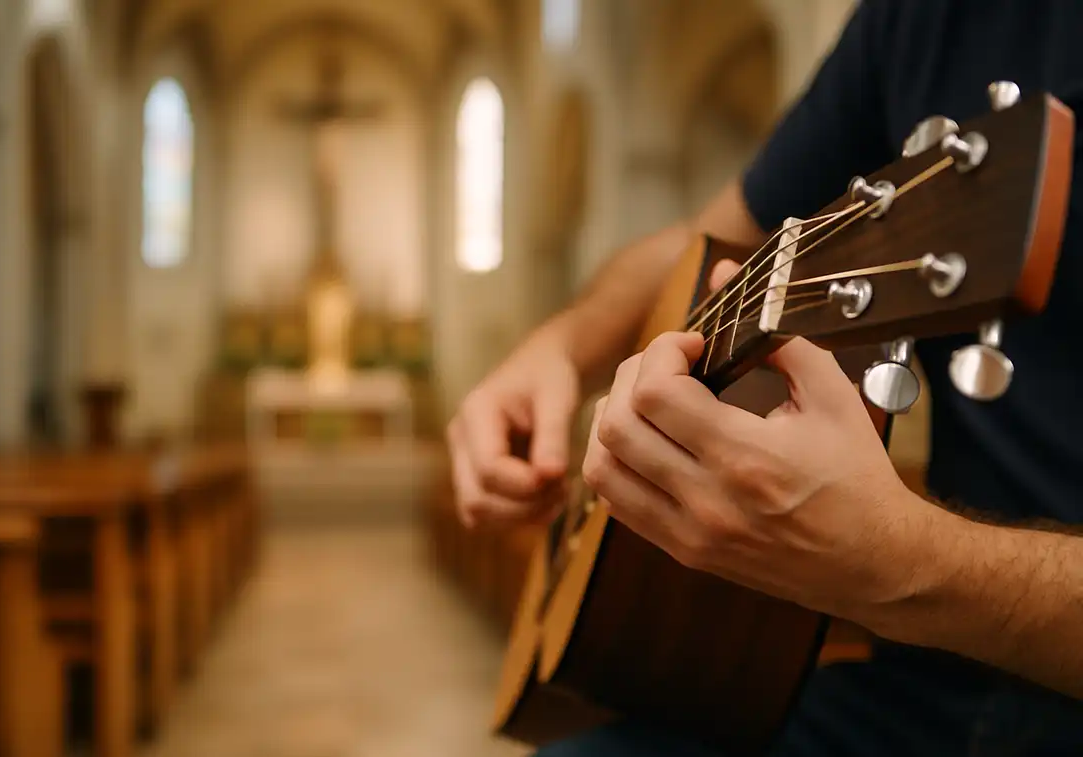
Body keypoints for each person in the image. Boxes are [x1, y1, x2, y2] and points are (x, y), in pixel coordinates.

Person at [447, 1, 1083, 755]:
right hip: (928, 686)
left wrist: (904, 563)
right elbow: (714, 243)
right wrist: (559, 348)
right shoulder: (928, 18)